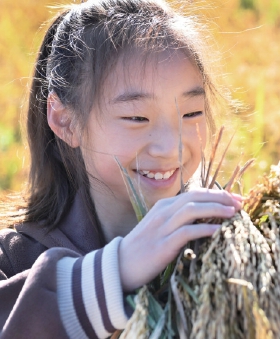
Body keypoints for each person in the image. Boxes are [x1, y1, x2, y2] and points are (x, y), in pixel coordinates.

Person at [0, 0, 242, 337]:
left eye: (191, 114)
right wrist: (118, 270)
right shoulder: (11, 262)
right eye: (136, 118)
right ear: (64, 119)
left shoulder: (231, 243)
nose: (170, 146)